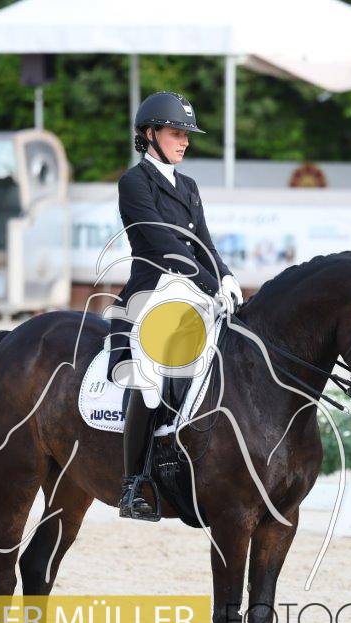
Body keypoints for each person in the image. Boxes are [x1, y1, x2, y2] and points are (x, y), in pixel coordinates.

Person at [113, 91, 241, 521]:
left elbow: (203, 242)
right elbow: (163, 243)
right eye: (176, 133)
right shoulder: (134, 183)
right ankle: (133, 484)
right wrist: (209, 282)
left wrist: (225, 276)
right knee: (151, 373)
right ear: (149, 135)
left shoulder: (188, 186)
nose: (184, 142)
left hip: (194, 290)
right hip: (153, 292)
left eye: (186, 135)